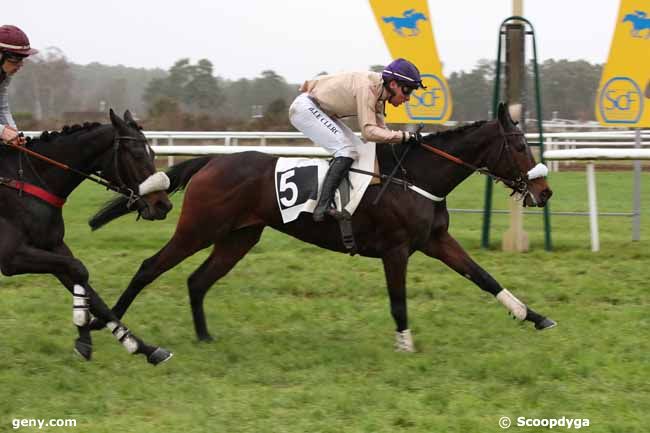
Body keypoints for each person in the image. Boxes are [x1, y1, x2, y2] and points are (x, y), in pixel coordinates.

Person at [289, 58, 425, 222]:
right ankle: (322, 207)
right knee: (346, 151)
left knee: (360, 151)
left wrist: (405, 140)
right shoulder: (368, 88)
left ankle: (350, 201)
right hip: (306, 109)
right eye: (407, 91)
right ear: (394, 84)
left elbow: (383, 133)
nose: (408, 98)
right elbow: (369, 132)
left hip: (322, 111)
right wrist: (404, 136)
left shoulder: (380, 93)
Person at [0, 25, 38, 146]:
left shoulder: (5, 74)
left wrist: (14, 134)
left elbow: (1, 107)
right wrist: (2, 131)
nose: (20, 65)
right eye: (15, 59)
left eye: (22, 59)